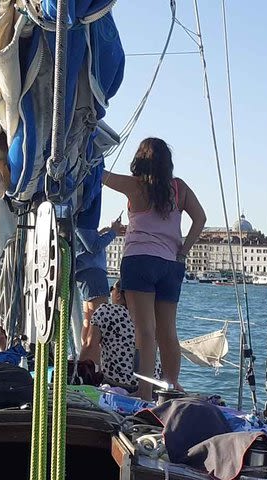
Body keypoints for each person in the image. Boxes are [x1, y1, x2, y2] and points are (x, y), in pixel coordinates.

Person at [103, 137, 206, 400]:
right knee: (167, 332)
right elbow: (200, 218)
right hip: (170, 264)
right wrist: (183, 250)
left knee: (145, 332)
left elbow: (99, 174)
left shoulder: (134, 185)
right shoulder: (179, 188)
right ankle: (170, 386)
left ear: (140, 160)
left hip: (139, 261)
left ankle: (145, 393)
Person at [91, 280, 162, 391]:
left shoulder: (106, 311)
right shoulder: (151, 317)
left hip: (116, 383)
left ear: (119, 295)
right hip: (151, 385)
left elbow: (90, 345)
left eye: (112, 289)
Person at [75, 215, 124, 363]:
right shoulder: (83, 222)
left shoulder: (78, 223)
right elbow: (94, 246)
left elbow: (88, 242)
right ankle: (92, 362)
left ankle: (84, 358)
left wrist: (104, 231)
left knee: (89, 319)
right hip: (94, 272)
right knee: (98, 321)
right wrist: (113, 232)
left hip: (86, 273)